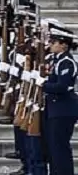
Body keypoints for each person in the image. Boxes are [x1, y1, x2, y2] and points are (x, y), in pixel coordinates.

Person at [44, 27, 78, 175]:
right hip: (56, 108)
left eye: (54, 42)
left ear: (64, 45)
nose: (51, 44)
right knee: (54, 148)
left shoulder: (66, 62)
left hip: (64, 109)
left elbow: (62, 86)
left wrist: (42, 84)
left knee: (60, 148)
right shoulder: (57, 60)